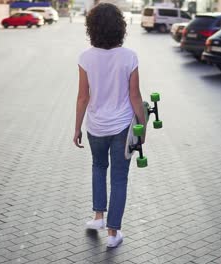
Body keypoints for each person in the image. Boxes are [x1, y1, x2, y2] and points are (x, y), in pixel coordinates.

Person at [73, 3, 146, 248]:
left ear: (92, 28)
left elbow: (83, 96)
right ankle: (113, 234)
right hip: (123, 126)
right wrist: (142, 128)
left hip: (95, 126)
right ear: (120, 27)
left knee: (98, 167)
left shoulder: (85, 57)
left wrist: (76, 127)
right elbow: (135, 96)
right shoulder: (129, 56)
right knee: (119, 178)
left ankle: (98, 218)